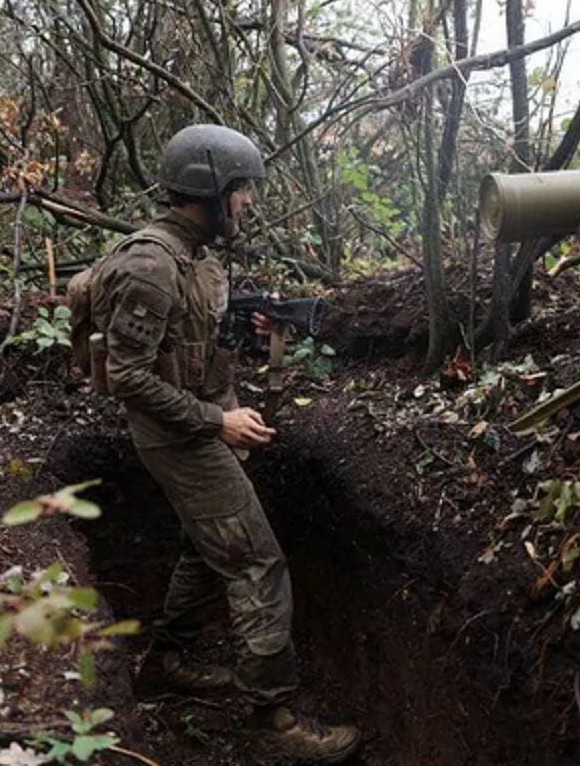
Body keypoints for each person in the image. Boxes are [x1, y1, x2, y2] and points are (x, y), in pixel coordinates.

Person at [88, 124, 361, 763]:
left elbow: (187, 345)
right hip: (179, 437)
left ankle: (170, 661)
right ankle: (274, 719)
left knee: (207, 548)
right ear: (209, 192)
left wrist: (244, 338)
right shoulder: (152, 263)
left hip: (200, 422)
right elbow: (128, 378)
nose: (247, 203)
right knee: (256, 562)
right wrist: (218, 424)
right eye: (240, 191)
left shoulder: (198, 256)